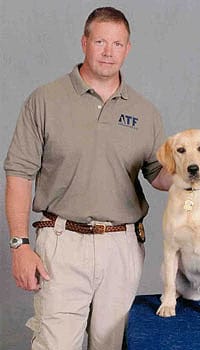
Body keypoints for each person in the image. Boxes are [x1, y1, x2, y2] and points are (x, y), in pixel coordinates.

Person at [4, 7, 171, 350]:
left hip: (122, 246)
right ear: (84, 42)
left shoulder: (144, 111)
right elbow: (19, 173)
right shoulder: (46, 100)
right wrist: (19, 245)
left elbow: (158, 175)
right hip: (62, 243)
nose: (109, 51)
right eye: (100, 41)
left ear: (128, 49)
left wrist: (194, 170)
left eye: (117, 44)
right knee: (55, 344)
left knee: (110, 345)